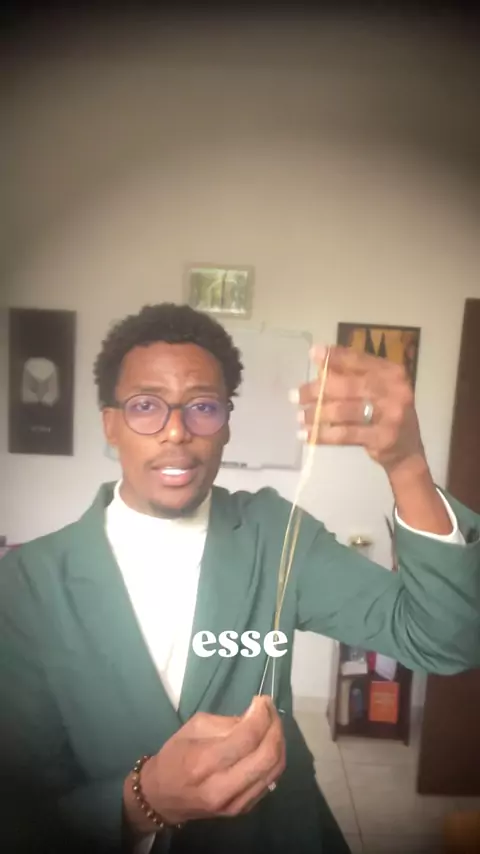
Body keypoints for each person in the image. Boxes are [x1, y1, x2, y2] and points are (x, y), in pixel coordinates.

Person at [1, 303, 479, 854]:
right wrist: (144, 800)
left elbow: (446, 639)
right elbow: (19, 808)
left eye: (203, 407)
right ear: (111, 423)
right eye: (145, 405)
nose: (176, 431)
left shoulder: (273, 534)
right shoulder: (28, 584)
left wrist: (407, 464)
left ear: (226, 425)